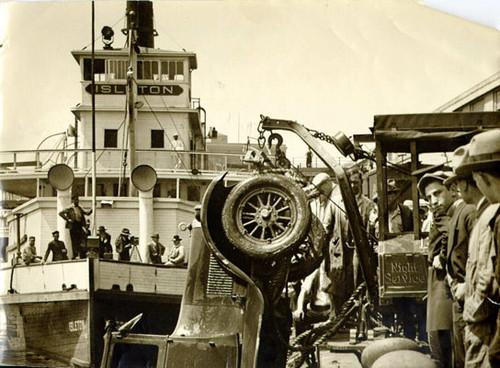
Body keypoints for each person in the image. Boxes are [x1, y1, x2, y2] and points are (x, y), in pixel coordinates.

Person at [453, 129, 500, 368]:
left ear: (483, 177)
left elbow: (489, 283)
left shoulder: (493, 216)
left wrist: (471, 312)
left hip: (487, 332)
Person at [442, 144, 478, 368]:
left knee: (467, 352)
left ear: (463, 184)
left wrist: (467, 284)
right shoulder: (463, 211)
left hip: (468, 293)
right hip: (461, 291)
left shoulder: (471, 212)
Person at [326, 163, 377, 316]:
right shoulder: (335, 202)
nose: (354, 185)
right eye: (351, 182)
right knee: (337, 286)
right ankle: (337, 319)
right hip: (338, 252)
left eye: (357, 182)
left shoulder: (368, 205)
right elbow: (326, 226)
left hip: (358, 252)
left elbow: (374, 227)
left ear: (361, 182)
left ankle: (358, 319)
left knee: (357, 285)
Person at [418, 170, 457, 368]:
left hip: (442, 283)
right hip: (438, 283)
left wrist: (440, 257)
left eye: (437, 193)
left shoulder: (444, 216)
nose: (432, 201)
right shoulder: (441, 214)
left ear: (452, 190)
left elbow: (448, 233)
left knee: (441, 336)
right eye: (428, 197)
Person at [59, 195, 92, 259]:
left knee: (80, 240)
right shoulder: (69, 208)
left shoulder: (80, 207)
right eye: (75, 200)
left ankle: (80, 254)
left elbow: (86, 213)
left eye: (77, 200)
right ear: (73, 200)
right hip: (73, 225)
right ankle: (74, 255)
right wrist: (68, 219)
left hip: (79, 224)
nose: (77, 201)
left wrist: (92, 209)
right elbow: (61, 213)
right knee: (74, 240)